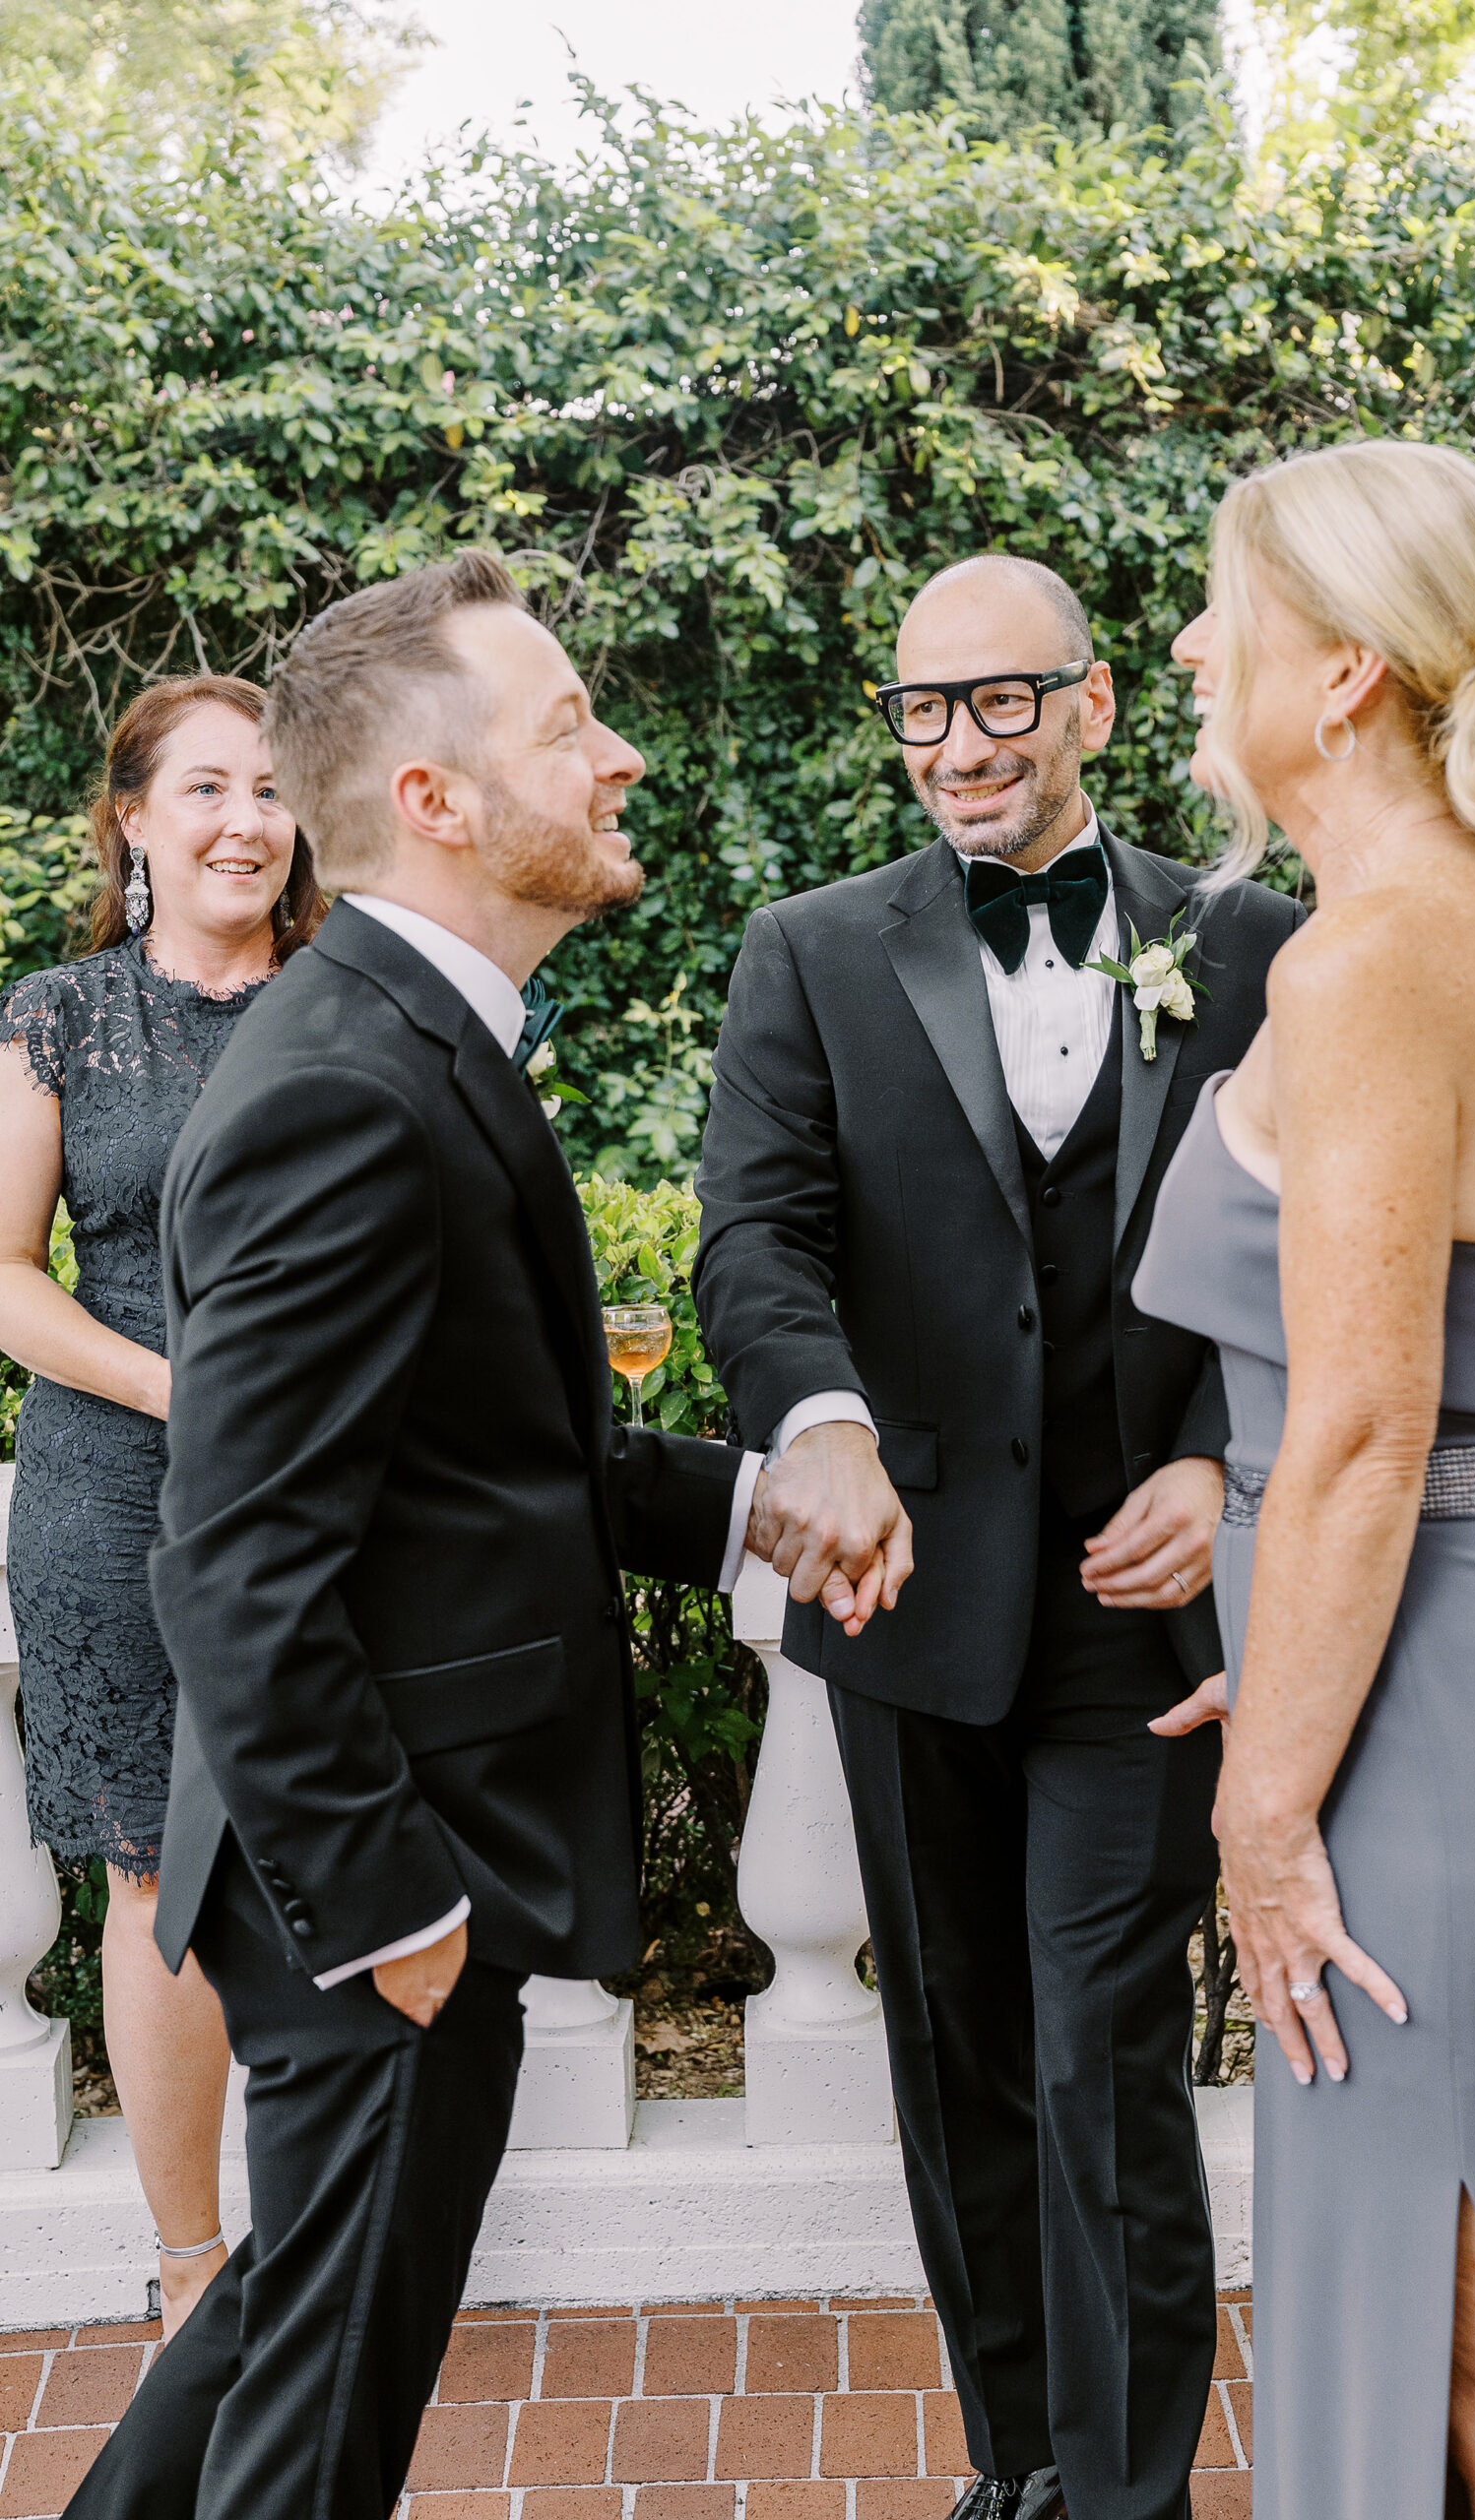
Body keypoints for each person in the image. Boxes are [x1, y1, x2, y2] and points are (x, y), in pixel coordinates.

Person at [64, 552, 862, 2520]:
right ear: (432, 799)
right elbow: (232, 1550)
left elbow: (489, 1443)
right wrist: (387, 1899)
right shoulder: (341, 1083)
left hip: (402, 1854)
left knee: (291, 2320)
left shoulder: (404, 1034)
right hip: (379, 1877)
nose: (625, 754)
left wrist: (754, 1508)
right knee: (324, 2410)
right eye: (570, 724)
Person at [694, 554, 1303, 2520]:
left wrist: (1219, 1459)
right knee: (956, 2051)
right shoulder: (809, 948)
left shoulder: (1250, 942)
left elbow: (1308, 1258)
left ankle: (1125, 2490)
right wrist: (830, 1423)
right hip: (907, 1591)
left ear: (1096, 704)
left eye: (1000, 700)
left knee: (1102, 2057)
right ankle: (1020, 2460)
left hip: (1141, 1614)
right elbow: (754, 1241)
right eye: (923, 708)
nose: (956, 744)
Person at [1131, 438, 1475, 2519]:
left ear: (1344, 666)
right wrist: (1271, 1665)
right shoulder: (1430, 923)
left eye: (1223, 603)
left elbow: (1366, 1431)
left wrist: (1266, 1810)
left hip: (1427, 1738)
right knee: (1458, 2337)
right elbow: (1325, 1447)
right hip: (1421, 1694)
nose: (1188, 640)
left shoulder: (1370, 959)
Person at [0, 675, 321, 2337]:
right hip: (116, 1497)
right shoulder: (59, 1013)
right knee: (157, 1872)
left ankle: (336, 2239)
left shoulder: (355, 1000)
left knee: (319, 1845)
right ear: (132, 820)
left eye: (271, 789)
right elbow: (3, 1279)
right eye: (204, 789)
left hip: (332, 1499)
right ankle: (195, 2266)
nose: (244, 822)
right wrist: (178, 1389)